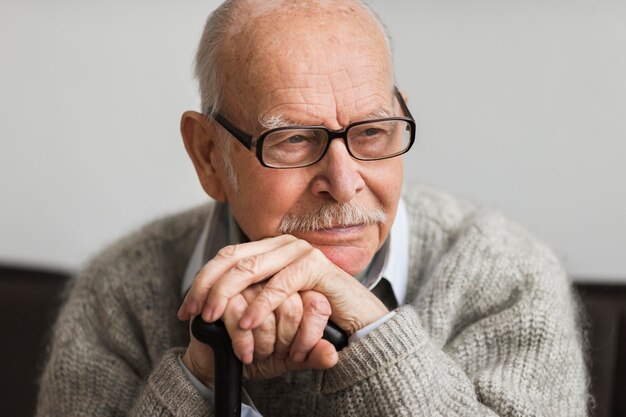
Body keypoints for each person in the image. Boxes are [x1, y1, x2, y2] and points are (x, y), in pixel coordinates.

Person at [36, 0, 589, 416]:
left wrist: (374, 337)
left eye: (372, 132)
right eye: (295, 140)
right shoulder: (119, 293)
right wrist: (206, 376)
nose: (344, 184)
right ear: (209, 155)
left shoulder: (506, 273)